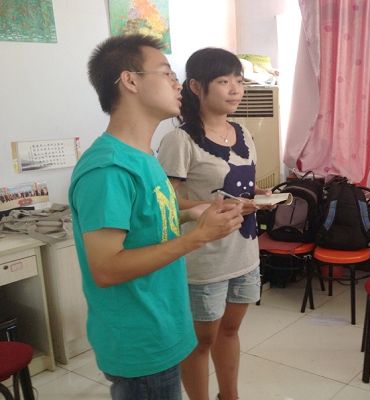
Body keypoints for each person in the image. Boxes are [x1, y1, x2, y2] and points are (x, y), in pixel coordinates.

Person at [69, 35, 244, 400]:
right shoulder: (108, 168)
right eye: (166, 73)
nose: (177, 84)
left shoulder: (142, 156)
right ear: (130, 81)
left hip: (163, 323)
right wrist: (198, 236)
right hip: (140, 341)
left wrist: (193, 211)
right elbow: (106, 268)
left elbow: (147, 219)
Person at [157, 48, 270, 400]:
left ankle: (229, 396)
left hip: (244, 253)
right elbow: (165, 204)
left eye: (239, 81)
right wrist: (214, 206)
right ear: (196, 86)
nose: (236, 89)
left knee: (230, 331)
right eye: (224, 81)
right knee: (201, 340)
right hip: (204, 261)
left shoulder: (243, 132)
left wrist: (258, 195)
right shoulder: (180, 140)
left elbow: (233, 186)